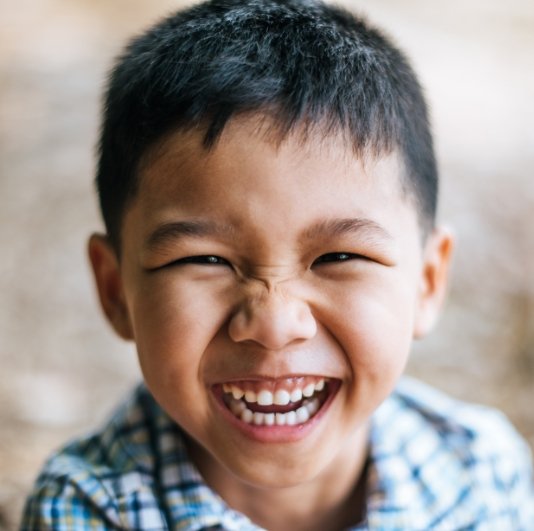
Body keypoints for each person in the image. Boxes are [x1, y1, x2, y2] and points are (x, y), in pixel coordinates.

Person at [21, 0, 534, 529]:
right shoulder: (87, 509)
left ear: (427, 283)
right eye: (205, 259)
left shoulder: (482, 475)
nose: (274, 324)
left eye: (340, 257)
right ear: (115, 291)